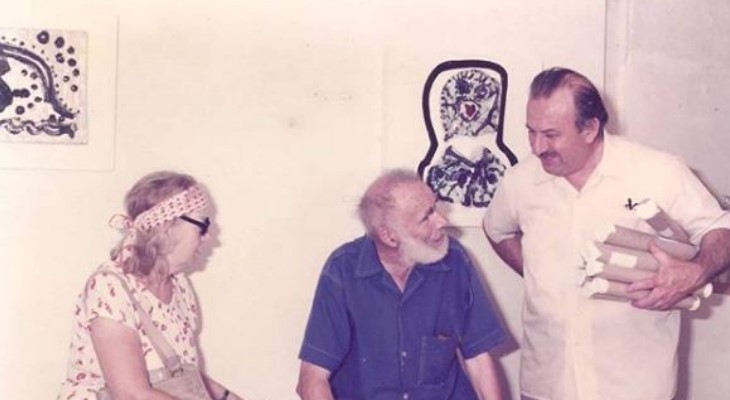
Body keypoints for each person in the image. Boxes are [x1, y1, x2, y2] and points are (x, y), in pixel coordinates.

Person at [483, 67, 730, 400]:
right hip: (547, 386)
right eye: (531, 132)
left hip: (634, 388)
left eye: (551, 134)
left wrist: (695, 272)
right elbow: (496, 230)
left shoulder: (657, 171)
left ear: (589, 129)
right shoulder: (520, 182)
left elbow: (720, 230)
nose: (538, 147)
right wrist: (537, 273)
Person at [296, 169, 507, 400]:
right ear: (390, 237)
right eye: (427, 216)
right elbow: (312, 378)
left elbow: (478, 359)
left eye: (435, 207)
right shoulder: (343, 271)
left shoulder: (454, 260)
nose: (442, 221)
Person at [57, 171, 244, 400]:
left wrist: (227, 397)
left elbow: (178, 373)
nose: (206, 236)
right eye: (202, 225)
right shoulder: (109, 288)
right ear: (168, 227)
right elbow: (131, 394)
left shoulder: (179, 284)